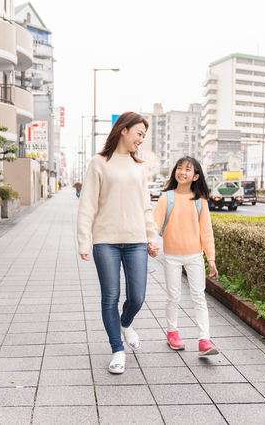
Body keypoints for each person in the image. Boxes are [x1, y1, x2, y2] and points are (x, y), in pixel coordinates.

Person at [77, 111, 160, 374]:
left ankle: (126, 324)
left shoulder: (139, 165)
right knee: (110, 296)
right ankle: (117, 349)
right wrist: (83, 241)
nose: (141, 140)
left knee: (137, 296)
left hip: (136, 239)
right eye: (139, 134)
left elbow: (146, 206)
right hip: (106, 241)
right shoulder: (99, 162)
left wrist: (152, 236)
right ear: (123, 130)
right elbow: (87, 204)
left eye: (144, 136)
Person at [153, 156, 220, 356]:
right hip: (172, 256)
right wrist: (152, 243)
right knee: (173, 297)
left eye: (188, 169)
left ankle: (204, 340)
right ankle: (172, 332)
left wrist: (211, 259)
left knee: (199, 297)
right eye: (179, 168)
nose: (182, 172)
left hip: (194, 256)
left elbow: (206, 231)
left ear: (195, 176)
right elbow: (155, 224)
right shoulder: (167, 197)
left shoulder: (200, 201)